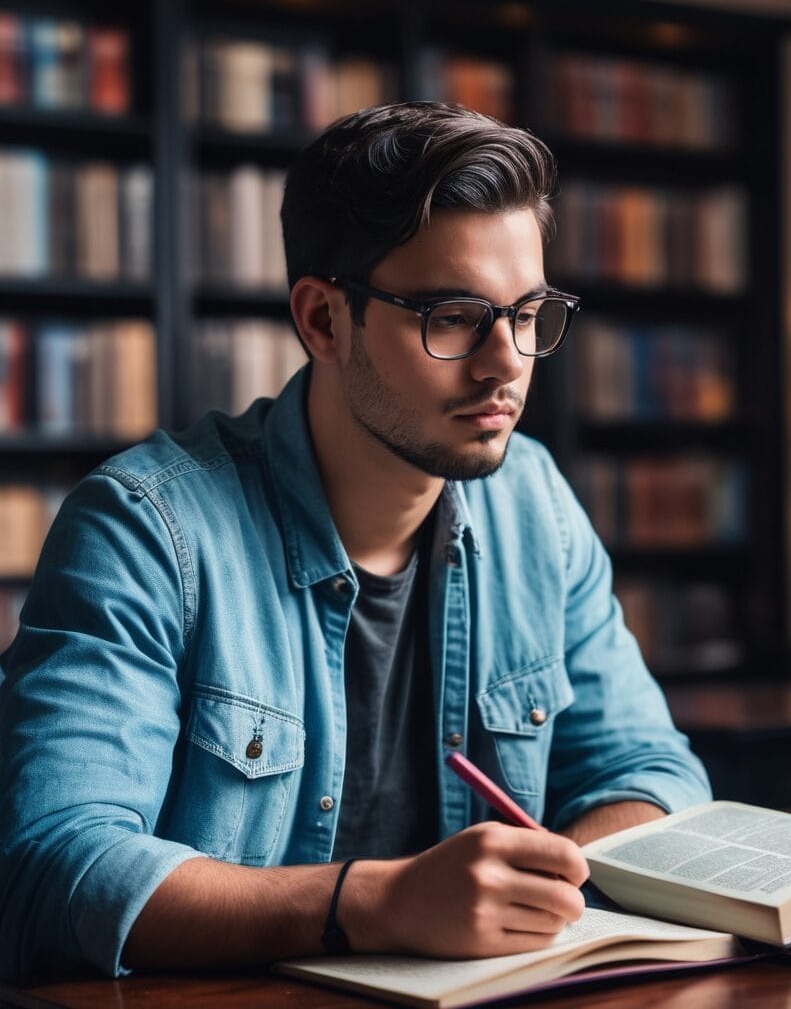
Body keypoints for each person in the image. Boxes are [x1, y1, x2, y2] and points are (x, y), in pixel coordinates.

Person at [0, 101, 710, 980]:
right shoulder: (145, 530)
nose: (507, 362)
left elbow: (648, 768)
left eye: (527, 312)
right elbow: (55, 867)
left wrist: (554, 878)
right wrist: (377, 904)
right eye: (453, 317)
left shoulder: (535, 502)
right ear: (324, 320)